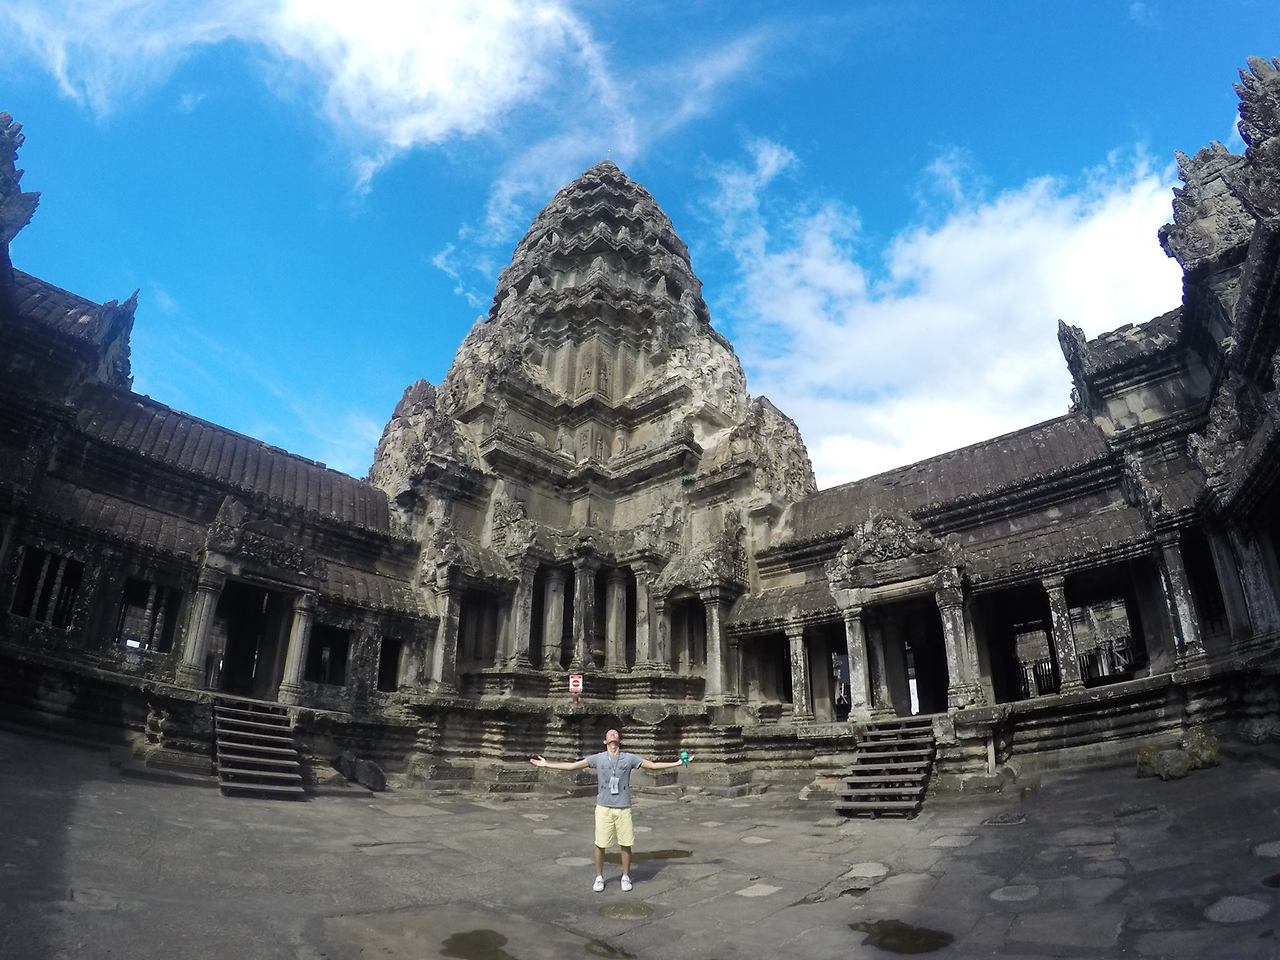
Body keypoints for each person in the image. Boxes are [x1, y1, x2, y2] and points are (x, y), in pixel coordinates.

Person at [529, 728, 690, 892]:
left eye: (615, 733)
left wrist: (677, 763)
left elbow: (653, 766)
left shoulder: (629, 758)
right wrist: (546, 764)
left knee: (626, 844)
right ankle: (599, 877)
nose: (613, 734)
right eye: (609, 733)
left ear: (619, 740)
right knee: (600, 844)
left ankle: (625, 876)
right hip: (604, 808)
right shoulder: (598, 758)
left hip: (623, 807)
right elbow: (572, 766)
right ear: (605, 741)